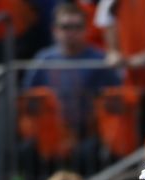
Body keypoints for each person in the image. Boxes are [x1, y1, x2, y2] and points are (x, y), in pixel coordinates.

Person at [21, 3, 122, 139]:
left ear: (87, 29)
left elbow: (116, 98)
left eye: (77, 27)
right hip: (52, 133)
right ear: (54, 30)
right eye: (66, 27)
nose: (71, 32)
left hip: (91, 132)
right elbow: (27, 96)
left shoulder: (100, 60)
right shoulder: (43, 60)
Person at [95, 0, 145, 87]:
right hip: (126, 76)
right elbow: (111, 47)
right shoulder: (108, 2)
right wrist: (115, 56)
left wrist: (143, 58)